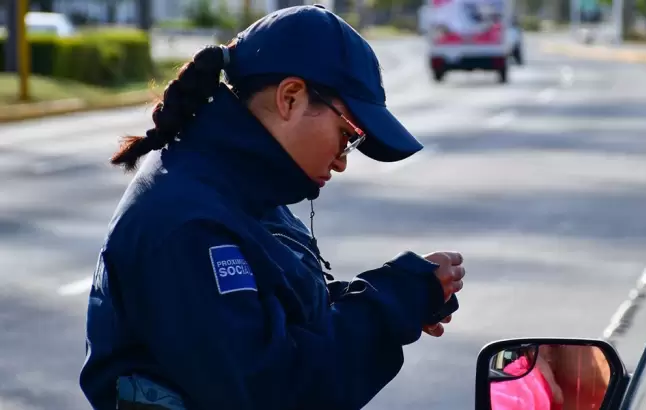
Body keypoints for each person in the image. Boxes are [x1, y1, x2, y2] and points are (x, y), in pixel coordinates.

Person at [78, 5, 466, 410]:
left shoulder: (235, 183)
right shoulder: (189, 223)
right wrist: (389, 304)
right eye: (347, 135)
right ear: (290, 98)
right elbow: (274, 389)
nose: (343, 160)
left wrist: (400, 297)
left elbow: (279, 315)